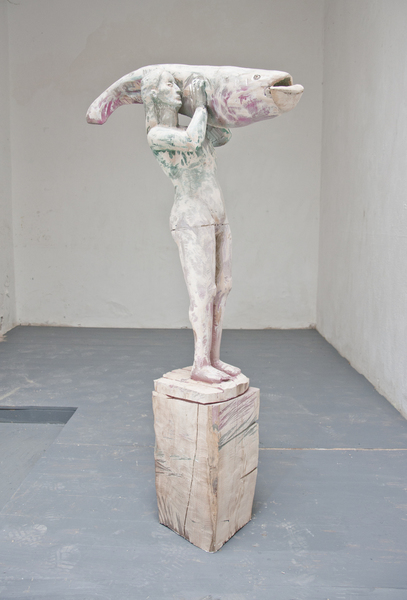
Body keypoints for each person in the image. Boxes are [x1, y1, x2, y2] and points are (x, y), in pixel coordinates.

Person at [141, 69, 241, 384]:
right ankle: (200, 363)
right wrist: (198, 106)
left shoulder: (192, 124)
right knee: (203, 291)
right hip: (192, 216)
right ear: (153, 95)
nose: (177, 88)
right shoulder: (158, 134)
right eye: (169, 84)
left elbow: (223, 135)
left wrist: (201, 104)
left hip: (217, 213)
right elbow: (192, 140)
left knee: (222, 287)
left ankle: (214, 358)